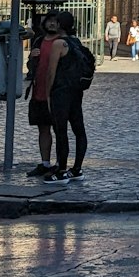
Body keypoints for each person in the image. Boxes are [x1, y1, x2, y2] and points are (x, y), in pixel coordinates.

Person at [43, 9, 88, 184]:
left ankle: (61, 170)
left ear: (60, 25)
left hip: (61, 93)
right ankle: (76, 169)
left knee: (61, 131)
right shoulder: (76, 42)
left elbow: (51, 72)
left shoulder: (58, 44)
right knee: (79, 130)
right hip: (76, 93)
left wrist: (47, 94)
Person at [24, 14, 60, 179]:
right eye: (49, 20)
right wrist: (32, 57)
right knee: (43, 129)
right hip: (39, 92)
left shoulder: (64, 41)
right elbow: (31, 66)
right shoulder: (39, 41)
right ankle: (45, 163)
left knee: (60, 130)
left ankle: (61, 164)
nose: (52, 23)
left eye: (55, 21)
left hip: (58, 94)